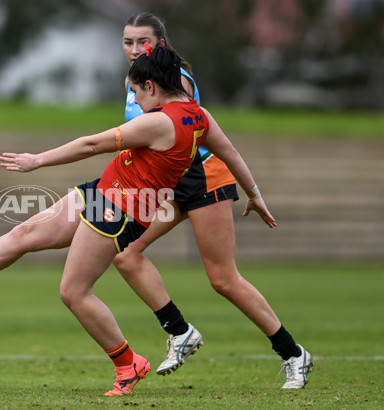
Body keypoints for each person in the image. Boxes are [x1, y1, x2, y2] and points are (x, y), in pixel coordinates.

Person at [0, 45, 270, 396]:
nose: (135, 99)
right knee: (22, 233)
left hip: (118, 210)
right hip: (105, 191)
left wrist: (37, 160)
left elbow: (91, 144)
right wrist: (254, 195)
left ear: (152, 86)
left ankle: (128, 365)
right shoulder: (200, 117)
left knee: (73, 292)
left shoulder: (158, 123)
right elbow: (230, 153)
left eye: (136, 92)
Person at [113, 12, 313, 389]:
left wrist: (253, 193)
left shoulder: (178, 79)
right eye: (128, 42)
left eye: (144, 42)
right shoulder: (134, 80)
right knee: (125, 253)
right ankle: (180, 331)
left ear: (162, 43)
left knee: (223, 279)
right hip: (168, 183)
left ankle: (293, 354)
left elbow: (192, 128)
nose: (136, 49)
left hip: (203, 176)